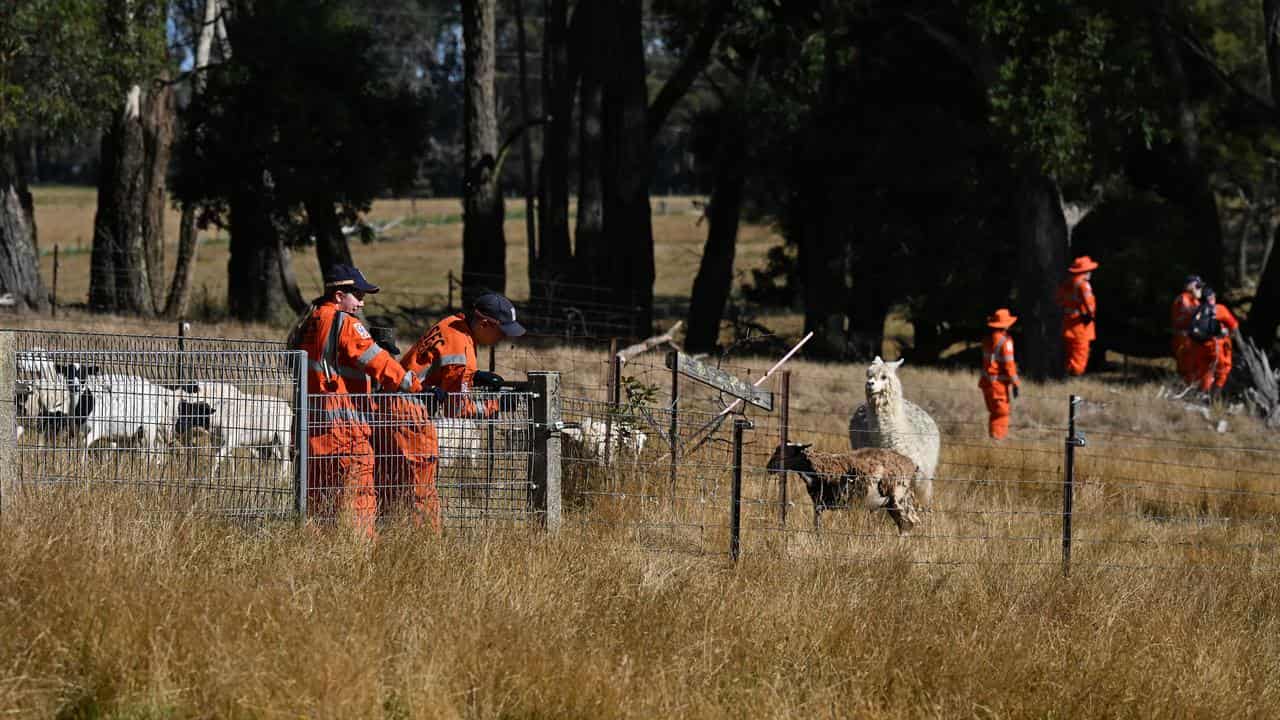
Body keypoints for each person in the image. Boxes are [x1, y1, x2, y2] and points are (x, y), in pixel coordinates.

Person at [287, 264, 424, 537]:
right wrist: (416, 387)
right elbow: (381, 363)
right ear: (339, 296)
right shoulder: (345, 324)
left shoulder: (308, 323)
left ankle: (317, 558)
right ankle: (359, 559)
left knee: (319, 507)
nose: (361, 303)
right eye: (358, 295)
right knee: (358, 503)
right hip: (345, 435)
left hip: (309, 433)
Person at [401, 292, 527, 415]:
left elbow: (439, 369)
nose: (503, 337)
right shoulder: (462, 353)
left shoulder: (452, 322)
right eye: (502, 332)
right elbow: (456, 409)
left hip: (394, 400)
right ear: (484, 324)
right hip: (406, 414)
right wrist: (497, 405)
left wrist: (474, 377)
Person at [368, 326, 443, 532]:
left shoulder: (395, 389)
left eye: (388, 354)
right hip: (397, 448)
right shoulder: (392, 390)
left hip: (398, 445)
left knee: (398, 490)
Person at [979, 308, 1020, 440]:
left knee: (994, 413)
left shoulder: (987, 340)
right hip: (999, 386)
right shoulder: (1005, 341)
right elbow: (1009, 365)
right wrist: (1015, 383)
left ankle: (993, 439)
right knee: (1002, 414)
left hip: (986, 383)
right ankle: (997, 441)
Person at [1191, 287, 1239, 399]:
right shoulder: (1219, 309)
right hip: (1216, 346)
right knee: (1223, 371)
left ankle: (1200, 396)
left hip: (1199, 346)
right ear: (1212, 298)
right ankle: (1212, 399)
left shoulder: (1197, 310)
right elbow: (1234, 325)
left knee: (1205, 372)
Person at [1056, 255, 1098, 376]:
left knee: (1070, 355)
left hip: (1068, 325)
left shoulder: (1067, 283)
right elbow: (1090, 304)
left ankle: (1066, 378)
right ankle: (1074, 384)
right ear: (1085, 271)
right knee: (1080, 355)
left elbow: (1058, 300)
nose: (1091, 273)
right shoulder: (1084, 285)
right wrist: (1090, 315)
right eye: (1089, 270)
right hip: (1080, 326)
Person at [1170, 275, 1203, 384]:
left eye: (1200, 287)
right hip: (1183, 338)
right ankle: (1186, 390)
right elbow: (1189, 315)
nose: (1199, 289)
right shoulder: (1183, 298)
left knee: (1195, 367)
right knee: (1186, 367)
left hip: (1192, 339)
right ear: (1189, 286)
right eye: (1197, 286)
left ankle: (1193, 388)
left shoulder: (1195, 301)